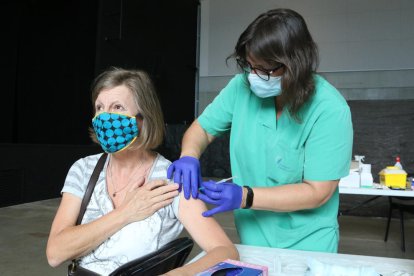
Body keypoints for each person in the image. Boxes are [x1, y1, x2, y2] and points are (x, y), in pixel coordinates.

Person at [167, 8, 353, 253]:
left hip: (308, 243)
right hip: (252, 237)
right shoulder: (241, 87)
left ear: (296, 65)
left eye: (265, 70)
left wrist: (245, 197)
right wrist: (189, 156)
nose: (253, 76)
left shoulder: (329, 109)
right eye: (249, 65)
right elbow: (202, 128)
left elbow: (318, 192)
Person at [46, 68, 238, 275]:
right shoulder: (84, 169)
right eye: (99, 108)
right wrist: (127, 212)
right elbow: (55, 253)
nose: (105, 117)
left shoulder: (171, 179)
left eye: (117, 107)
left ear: (143, 118)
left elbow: (225, 251)